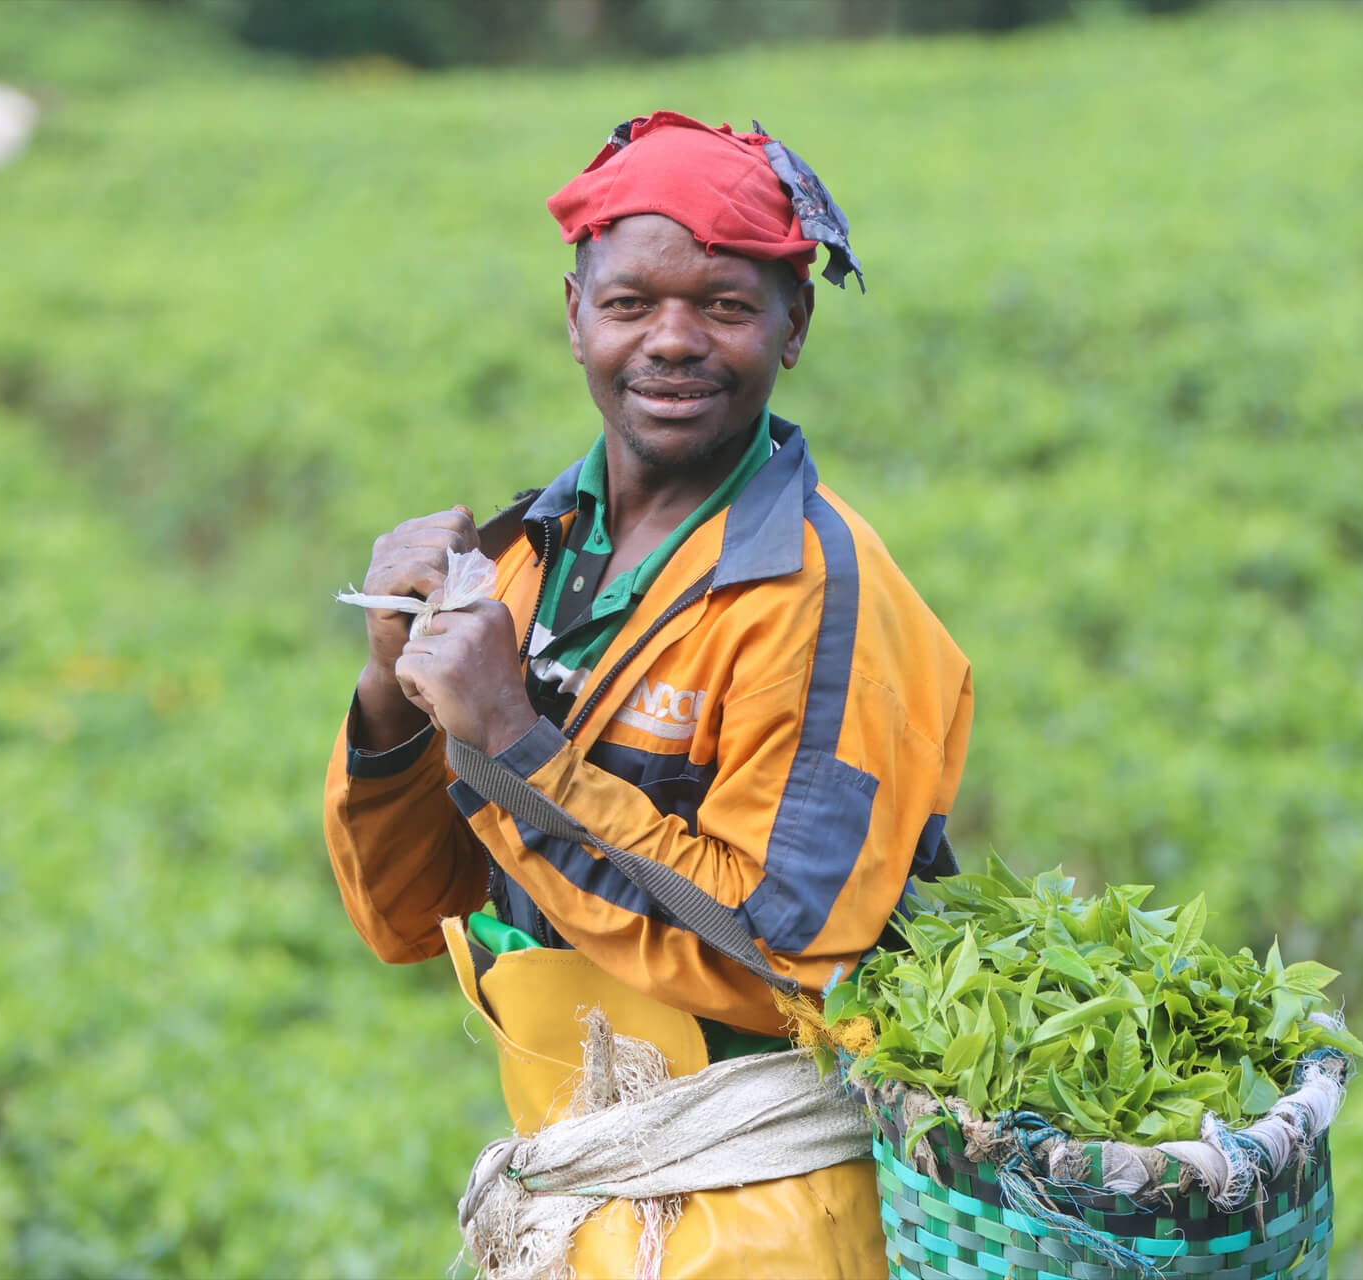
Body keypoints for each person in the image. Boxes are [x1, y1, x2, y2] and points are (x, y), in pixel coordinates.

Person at [321, 111, 973, 1275]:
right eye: (630, 304)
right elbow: (409, 912)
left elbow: (785, 948)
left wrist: (515, 739)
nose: (672, 340)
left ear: (794, 325)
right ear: (576, 319)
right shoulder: (524, 561)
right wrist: (388, 689)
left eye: (724, 305)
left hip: (765, 1212)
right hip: (577, 1189)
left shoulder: (823, 599)